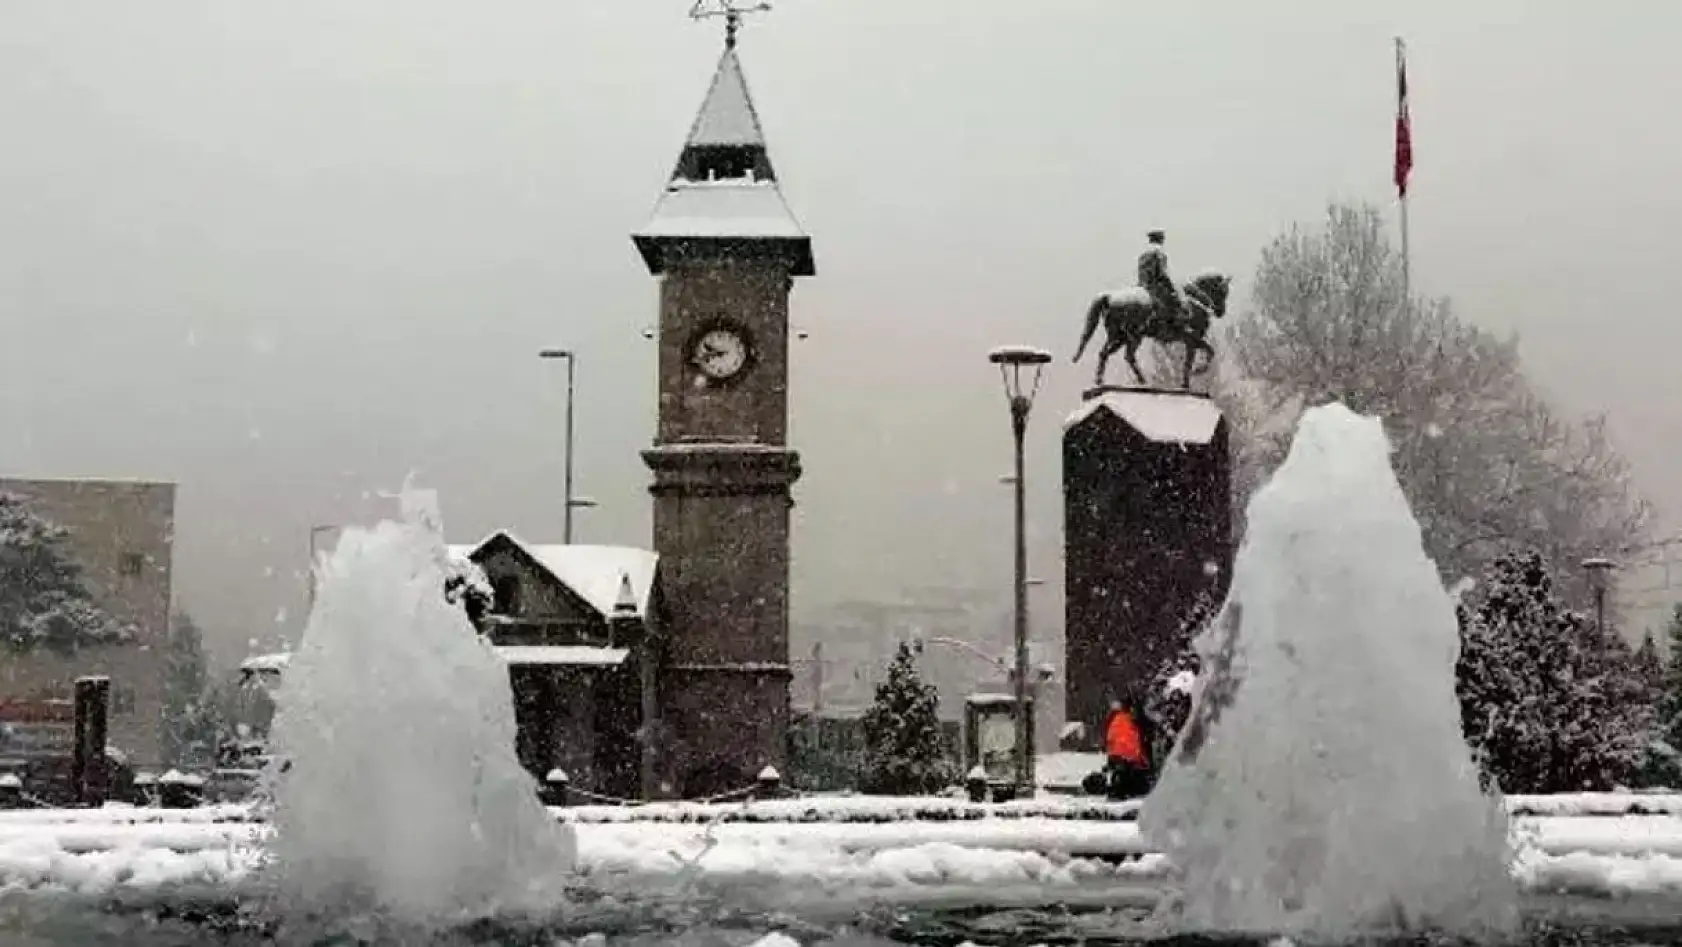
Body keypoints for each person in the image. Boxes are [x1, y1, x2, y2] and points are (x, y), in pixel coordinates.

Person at [1103, 698, 1152, 800]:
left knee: (1125, 773)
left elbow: (1110, 738)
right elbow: (1134, 745)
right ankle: (1125, 788)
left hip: (1117, 755)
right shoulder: (1132, 721)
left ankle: (1119, 787)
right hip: (1128, 757)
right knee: (1138, 781)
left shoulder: (1117, 719)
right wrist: (1144, 762)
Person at [1137, 229, 1183, 324]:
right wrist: (1172, 289)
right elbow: (1163, 273)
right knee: (1177, 302)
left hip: (1141, 286)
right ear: (1160, 239)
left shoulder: (1144, 252)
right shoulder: (1159, 251)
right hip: (1155, 287)